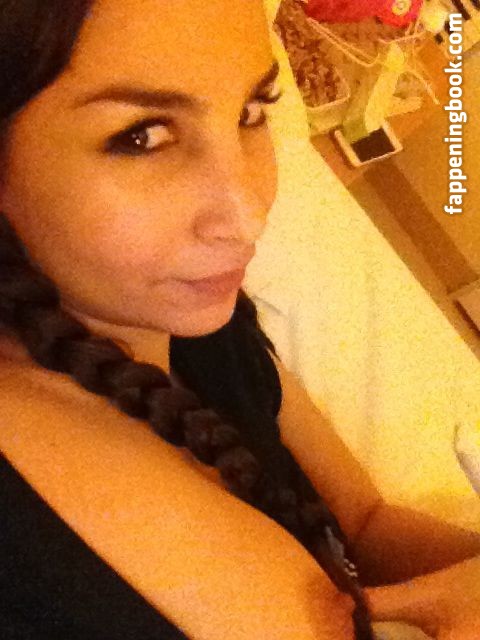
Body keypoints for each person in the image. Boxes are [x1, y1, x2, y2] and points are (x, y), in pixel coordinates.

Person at [0, 1, 479, 638]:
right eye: (143, 136)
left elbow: (363, 522)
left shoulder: (197, 326)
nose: (250, 217)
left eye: (252, 112)